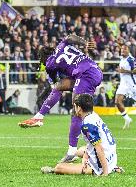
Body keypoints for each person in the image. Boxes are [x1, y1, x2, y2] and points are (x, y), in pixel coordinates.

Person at [18, 34, 103, 163]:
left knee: (77, 111)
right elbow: (70, 37)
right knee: (59, 88)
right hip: (91, 70)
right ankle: (38, 117)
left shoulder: (49, 64)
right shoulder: (61, 45)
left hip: (86, 75)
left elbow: (54, 80)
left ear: (42, 57)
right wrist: (84, 42)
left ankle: (72, 152)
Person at [41, 94, 123, 176]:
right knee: (80, 150)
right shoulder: (93, 115)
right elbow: (92, 143)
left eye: (75, 106)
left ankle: (99, 169)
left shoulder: (88, 125)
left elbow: (99, 149)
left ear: (79, 108)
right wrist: (85, 157)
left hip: (103, 162)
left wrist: (105, 173)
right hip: (111, 155)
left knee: (59, 167)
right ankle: (112, 167)